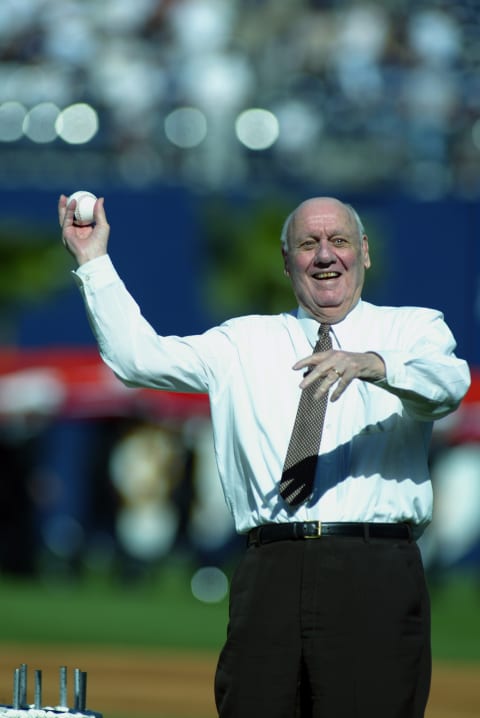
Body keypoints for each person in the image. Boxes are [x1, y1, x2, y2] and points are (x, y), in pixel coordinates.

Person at [59, 194, 470, 718]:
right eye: (308, 243)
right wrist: (92, 260)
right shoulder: (243, 341)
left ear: (363, 252)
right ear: (286, 260)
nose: (325, 255)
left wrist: (373, 364)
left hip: (374, 569)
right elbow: (138, 359)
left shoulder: (412, 330)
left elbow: (448, 385)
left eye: (339, 241)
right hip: (269, 568)